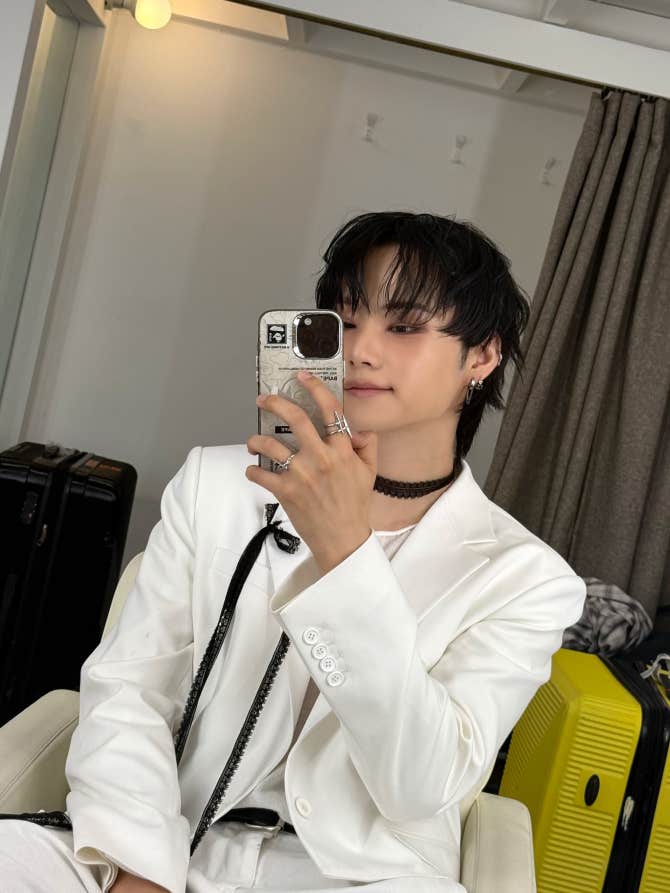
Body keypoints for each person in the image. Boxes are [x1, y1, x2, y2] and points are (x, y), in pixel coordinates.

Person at [0, 211, 587, 892]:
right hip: (173, 840)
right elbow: (130, 691)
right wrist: (139, 867)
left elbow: (420, 784)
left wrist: (345, 552)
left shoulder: (526, 579)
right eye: (345, 319)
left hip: (357, 879)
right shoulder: (217, 486)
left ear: (481, 356)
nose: (360, 350)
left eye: (403, 326)